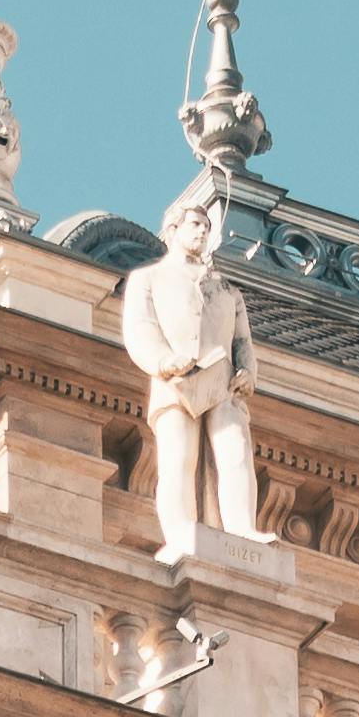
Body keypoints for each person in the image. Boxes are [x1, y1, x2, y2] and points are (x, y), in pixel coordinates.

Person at [118, 182, 262, 560]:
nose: (202, 231)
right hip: (175, 381)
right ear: (173, 231)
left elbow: (242, 340)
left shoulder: (226, 288)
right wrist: (163, 361)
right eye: (195, 224)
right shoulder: (149, 279)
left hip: (222, 379)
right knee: (178, 458)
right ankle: (181, 530)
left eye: (206, 226)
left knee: (235, 451)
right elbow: (140, 327)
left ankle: (241, 527)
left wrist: (248, 370)